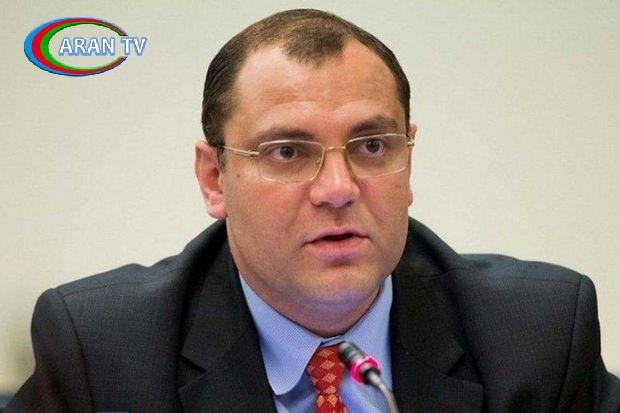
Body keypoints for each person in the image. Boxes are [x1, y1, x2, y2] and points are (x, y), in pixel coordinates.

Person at [7, 8, 620, 413]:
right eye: (287, 152)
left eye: (372, 146)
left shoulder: (536, 337)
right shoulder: (104, 353)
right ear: (214, 178)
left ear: (408, 160)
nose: (337, 188)